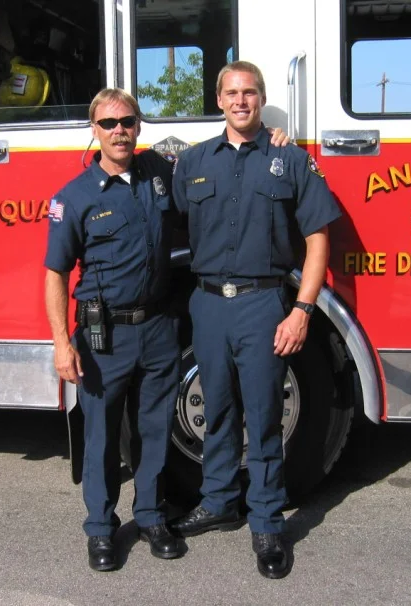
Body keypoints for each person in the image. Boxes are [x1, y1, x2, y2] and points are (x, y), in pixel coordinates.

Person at [44, 88, 290, 572]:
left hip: (158, 326)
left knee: (154, 431)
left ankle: (152, 516)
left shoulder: (159, 172)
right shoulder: (73, 198)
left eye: (128, 122)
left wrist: (272, 136)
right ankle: (101, 529)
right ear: (93, 131)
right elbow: (55, 272)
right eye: (109, 123)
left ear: (139, 127)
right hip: (103, 337)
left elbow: (215, 160)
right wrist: (59, 343)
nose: (120, 131)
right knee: (101, 435)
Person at [169, 61, 342, 580]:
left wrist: (303, 310)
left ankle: (266, 520)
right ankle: (219, 499)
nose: (240, 101)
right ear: (219, 100)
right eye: (231, 93)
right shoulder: (192, 162)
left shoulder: (289, 159)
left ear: (262, 98)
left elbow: (318, 241)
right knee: (217, 408)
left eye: (250, 92)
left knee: (264, 417)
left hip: (262, 304)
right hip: (207, 304)